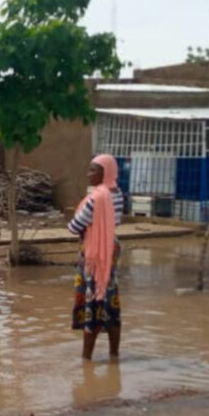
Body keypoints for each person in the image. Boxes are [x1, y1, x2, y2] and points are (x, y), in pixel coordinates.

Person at [68, 154, 124, 361]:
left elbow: (74, 226)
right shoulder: (118, 194)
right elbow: (116, 221)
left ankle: (86, 358)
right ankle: (114, 354)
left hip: (94, 254)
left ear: (105, 173)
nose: (88, 174)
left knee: (93, 302)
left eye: (93, 170)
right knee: (111, 299)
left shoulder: (95, 199)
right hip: (111, 249)